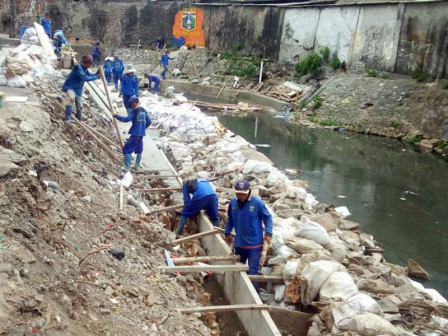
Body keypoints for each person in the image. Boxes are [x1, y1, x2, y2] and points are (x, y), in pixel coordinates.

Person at [225, 180, 273, 288]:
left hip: (254, 245)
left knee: (253, 272)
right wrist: (227, 232)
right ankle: (237, 289)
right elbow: (230, 219)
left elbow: (268, 218)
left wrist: (268, 233)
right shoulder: (233, 203)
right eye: (238, 194)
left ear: (249, 192)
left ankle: (253, 295)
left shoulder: (257, 203)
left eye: (243, 194)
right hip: (239, 244)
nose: (241, 196)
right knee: (239, 269)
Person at [113, 95, 151, 171]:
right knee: (139, 149)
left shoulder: (134, 111)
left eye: (131, 103)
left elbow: (126, 119)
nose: (131, 105)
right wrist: (143, 128)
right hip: (141, 134)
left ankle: (127, 167)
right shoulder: (144, 110)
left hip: (135, 134)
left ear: (134, 103)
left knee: (127, 149)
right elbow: (149, 121)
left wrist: (117, 116)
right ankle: (137, 166)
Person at [61, 54, 100, 122]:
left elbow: (90, 75)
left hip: (78, 89)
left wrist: (97, 73)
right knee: (72, 99)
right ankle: (68, 118)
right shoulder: (78, 67)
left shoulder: (85, 69)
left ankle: (78, 119)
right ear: (86, 63)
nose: (90, 65)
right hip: (70, 87)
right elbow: (85, 78)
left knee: (80, 106)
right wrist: (97, 77)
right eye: (90, 64)